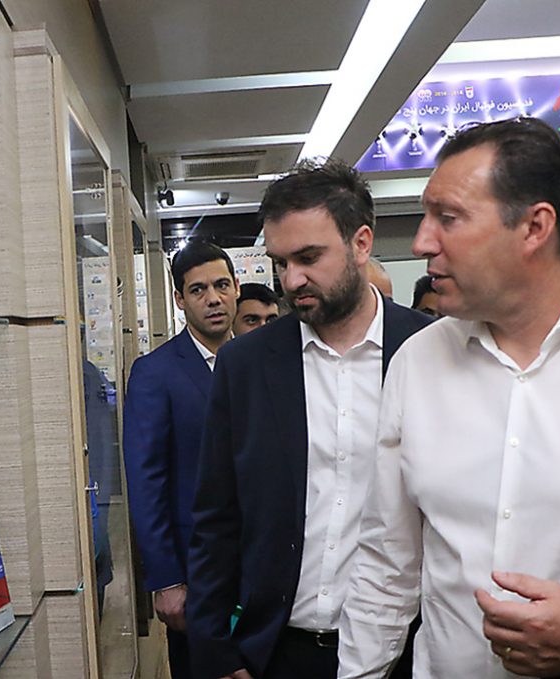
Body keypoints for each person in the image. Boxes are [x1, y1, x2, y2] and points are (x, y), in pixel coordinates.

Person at [335, 117, 560, 679]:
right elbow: (387, 563)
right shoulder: (417, 363)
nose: (421, 242)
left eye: (448, 218)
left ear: (535, 227)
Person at [187, 160, 431, 679]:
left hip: (404, 650)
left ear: (361, 244)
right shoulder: (246, 365)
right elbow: (216, 516)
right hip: (278, 651)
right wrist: (216, 650)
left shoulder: (430, 352)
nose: (291, 279)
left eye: (309, 257)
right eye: (280, 262)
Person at [124, 240, 240, 678]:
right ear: (179, 300)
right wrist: (166, 579)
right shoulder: (156, 372)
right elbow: (146, 480)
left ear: (236, 288)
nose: (213, 298)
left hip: (265, 566)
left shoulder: (257, 361)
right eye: (198, 290)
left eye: (222, 285)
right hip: (197, 572)